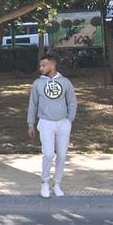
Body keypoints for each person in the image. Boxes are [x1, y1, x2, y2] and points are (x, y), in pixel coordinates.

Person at [27, 54, 77, 198]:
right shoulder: (37, 83)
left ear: (52, 66)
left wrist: (69, 121)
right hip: (45, 122)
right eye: (40, 65)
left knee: (62, 155)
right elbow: (33, 104)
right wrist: (31, 124)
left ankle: (57, 184)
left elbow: (72, 102)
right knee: (48, 154)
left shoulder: (65, 82)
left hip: (63, 123)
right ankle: (44, 182)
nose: (41, 68)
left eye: (44, 65)